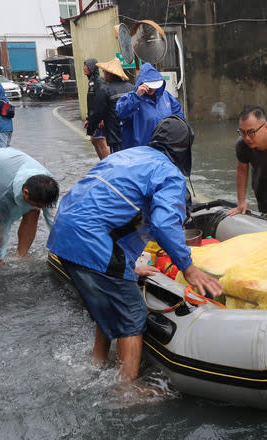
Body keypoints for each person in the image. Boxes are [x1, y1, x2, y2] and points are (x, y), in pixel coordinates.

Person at [47, 116, 221, 383]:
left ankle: (97, 364)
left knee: (109, 301)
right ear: (183, 148)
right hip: (92, 240)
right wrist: (188, 268)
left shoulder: (127, 155)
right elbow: (164, 225)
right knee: (132, 314)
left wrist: (128, 267)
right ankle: (126, 392)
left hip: (64, 232)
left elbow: (109, 209)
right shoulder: (168, 173)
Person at [0, 148, 59, 268]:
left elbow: (56, 219)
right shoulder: (3, 195)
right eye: (37, 203)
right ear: (25, 192)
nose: (40, 207)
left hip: (8, 165)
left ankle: (21, 257)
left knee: (33, 211)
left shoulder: (49, 186)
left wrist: (66, 249)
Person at [115, 62, 183, 149]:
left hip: (164, 149)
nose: (151, 90)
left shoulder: (166, 97)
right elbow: (120, 113)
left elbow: (179, 116)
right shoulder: (130, 98)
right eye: (149, 87)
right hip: (140, 151)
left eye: (154, 86)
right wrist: (136, 97)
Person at [93, 58, 134, 154]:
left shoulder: (105, 89)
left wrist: (92, 124)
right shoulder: (131, 87)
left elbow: (98, 111)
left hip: (115, 135)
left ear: (109, 74)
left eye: (104, 72)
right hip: (132, 134)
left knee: (119, 161)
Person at [82, 58, 108, 159]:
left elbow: (102, 101)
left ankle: (109, 164)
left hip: (99, 116)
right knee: (94, 140)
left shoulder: (99, 81)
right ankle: (103, 161)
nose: (84, 68)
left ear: (92, 67)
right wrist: (89, 118)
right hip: (94, 116)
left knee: (101, 140)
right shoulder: (92, 81)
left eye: (86, 66)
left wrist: (101, 118)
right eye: (84, 65)